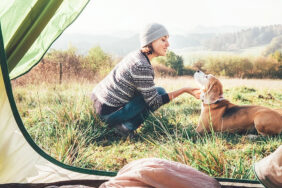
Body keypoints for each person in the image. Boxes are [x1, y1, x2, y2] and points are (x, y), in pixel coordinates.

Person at [91, 23, 201, 136]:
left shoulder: (135, 55)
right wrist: (184, 90)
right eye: (163, 40)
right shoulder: (141, 65)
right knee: (160, 92)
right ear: (150, 41)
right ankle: (125, 127)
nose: (168, 44)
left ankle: (120, 123)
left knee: (155, 92)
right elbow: (154, 102)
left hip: (98, 102)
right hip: (108, 112)